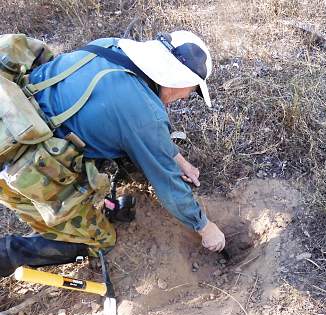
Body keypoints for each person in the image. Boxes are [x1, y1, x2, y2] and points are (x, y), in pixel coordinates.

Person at [0, 30, 225, 277]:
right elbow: (169, 185)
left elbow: (125, 121)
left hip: (15, 115)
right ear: (175, 81)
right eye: (190, 90)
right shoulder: (143, 114)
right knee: (101, 240)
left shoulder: (110, 47)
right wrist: (205, 227)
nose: (184, 98)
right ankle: (7, 252)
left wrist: (174, 156)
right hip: (16, 161)